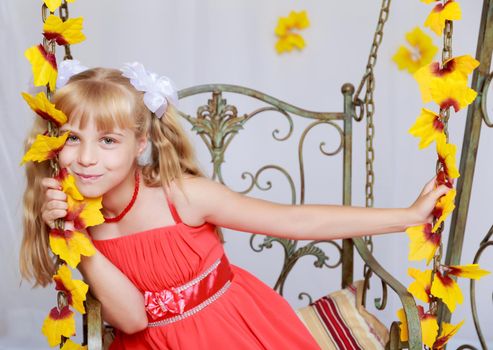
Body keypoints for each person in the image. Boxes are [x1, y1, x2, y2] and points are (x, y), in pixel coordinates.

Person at [20, 62, 451, 349]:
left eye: (108, 140)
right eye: (73, 138)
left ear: (141, 144)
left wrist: (407, 218)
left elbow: (294, 220)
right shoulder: (77, 217)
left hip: (234, 330)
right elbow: (132, 321)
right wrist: (71, 235)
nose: (87, 158)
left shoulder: (180, 197)